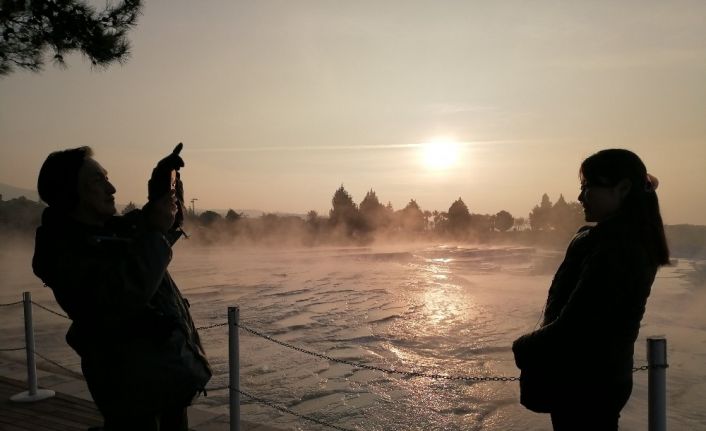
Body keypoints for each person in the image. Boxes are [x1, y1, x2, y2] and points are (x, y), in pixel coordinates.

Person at [32, 145, 211, 431]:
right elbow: (125, 294)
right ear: (70, 194)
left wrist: (164, 190)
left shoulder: (114, 231)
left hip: (166, 382)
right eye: (98, 181)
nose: (112, 188)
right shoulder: (64, 253)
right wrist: (154, 233)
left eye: (107, 178)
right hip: (131, 391)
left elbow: (161, 221)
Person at [512, 149, 670, 431]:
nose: (580, 197)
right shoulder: (614, 241)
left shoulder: (618, 249)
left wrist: (524, 347)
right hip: (599, 378)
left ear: (622, 189)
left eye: (588, 187)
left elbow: (578, 325)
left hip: (587, 382)